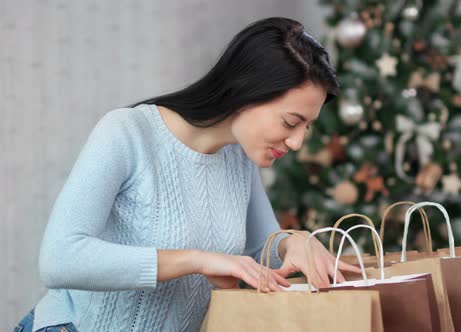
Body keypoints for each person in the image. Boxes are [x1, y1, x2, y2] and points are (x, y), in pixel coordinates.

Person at [13, 17, 363, 332]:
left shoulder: (239, 157)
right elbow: (60, 260)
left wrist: (293, 241)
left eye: (308, 127)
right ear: (246, 93)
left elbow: (260, 251)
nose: (298, 141)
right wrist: (195, 259)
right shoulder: (128, 133)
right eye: (291, 122)